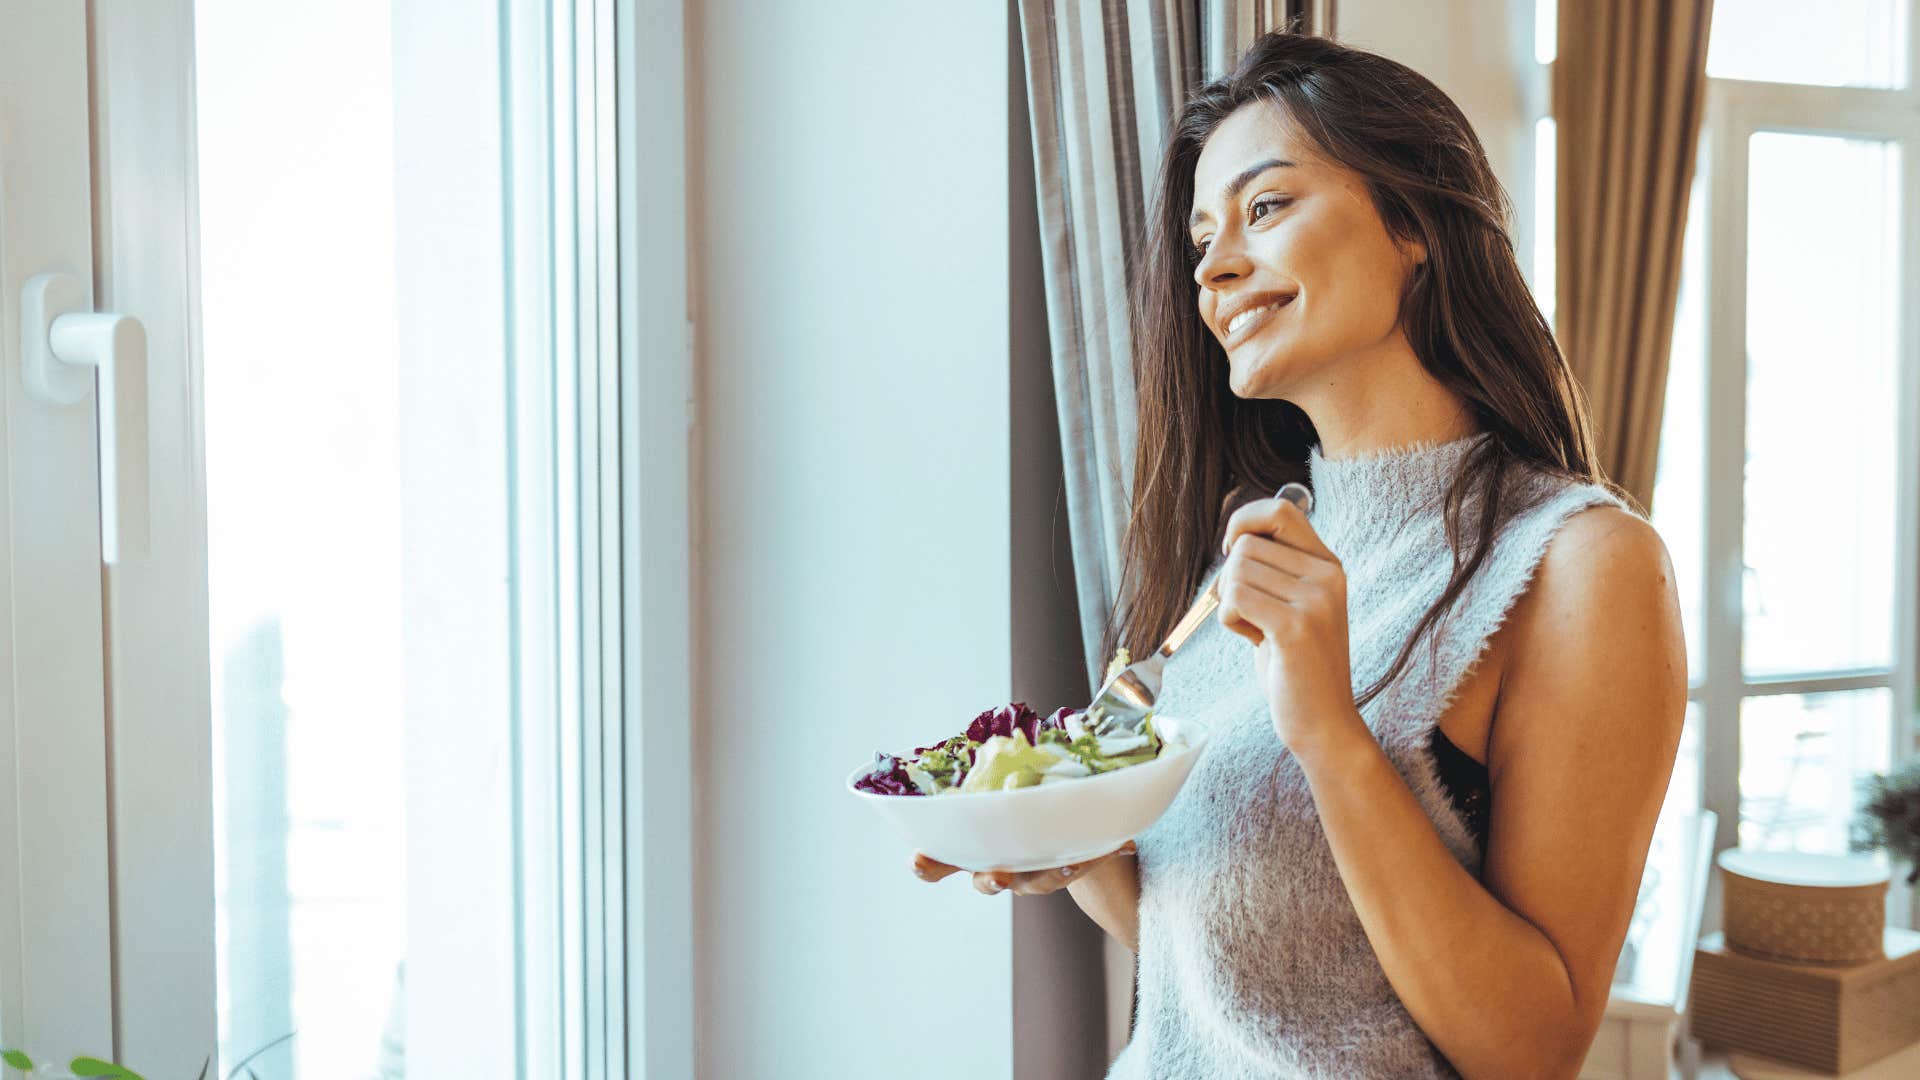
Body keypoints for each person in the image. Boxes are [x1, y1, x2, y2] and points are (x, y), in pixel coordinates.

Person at [911, 29, 1686, 1080]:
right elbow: (1285, 982)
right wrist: (1076, 842)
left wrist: (1330, 730)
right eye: (1201, 242)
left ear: (1413, 222)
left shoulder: (1581, 565)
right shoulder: (1251, 555)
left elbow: (1530, 1052)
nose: (1218, 266)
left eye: (1265, 208)